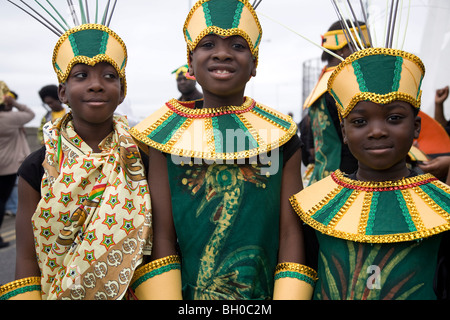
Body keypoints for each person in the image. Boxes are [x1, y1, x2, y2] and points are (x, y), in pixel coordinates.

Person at [129, 0, 316, 300]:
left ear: (254, 64)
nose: (222, 53)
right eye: (208, 44)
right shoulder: (164, 138)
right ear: (190, 63)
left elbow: (290, 233)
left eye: (238, 46)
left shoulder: (280, 138)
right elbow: (162, 235)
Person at [0, 3, 152, 300]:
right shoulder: (36, 167)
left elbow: (158, 247)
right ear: (62, 93)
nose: (96, 85)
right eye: (81, 75)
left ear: (122, 93)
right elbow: (27, 259)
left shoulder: (143, 158)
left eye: (109, 76)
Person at [290, 46, 450, 299]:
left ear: (416, 127)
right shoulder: (313, 206)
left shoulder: (444, 208)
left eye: (394, 118)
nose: (377, 131)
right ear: (344, 131)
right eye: (360, 122)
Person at [302, 20, 370, 186]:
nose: (368, 52)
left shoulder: (322, 84)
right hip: (347, 182)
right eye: (362, 46)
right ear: (342, 48)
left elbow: (312, 148)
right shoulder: (346, 85)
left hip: (320, 181)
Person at [0, 84, 35, 249]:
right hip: (7, 167)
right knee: (1, 201)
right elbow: (30, 114)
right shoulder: (8, 119)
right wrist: (14, 103)